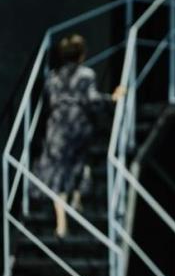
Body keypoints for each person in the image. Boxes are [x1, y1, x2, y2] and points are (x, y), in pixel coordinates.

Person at [33, 34, 125, 238]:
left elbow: (50, 101)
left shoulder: (52, 77)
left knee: (58, 171)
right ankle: (76, 199)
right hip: (78, 125)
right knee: (79, 163)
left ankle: (61, 223)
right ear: (81, 55)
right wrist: (113, 99)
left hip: (57, 126)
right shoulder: (86, 75)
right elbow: (92, 100)